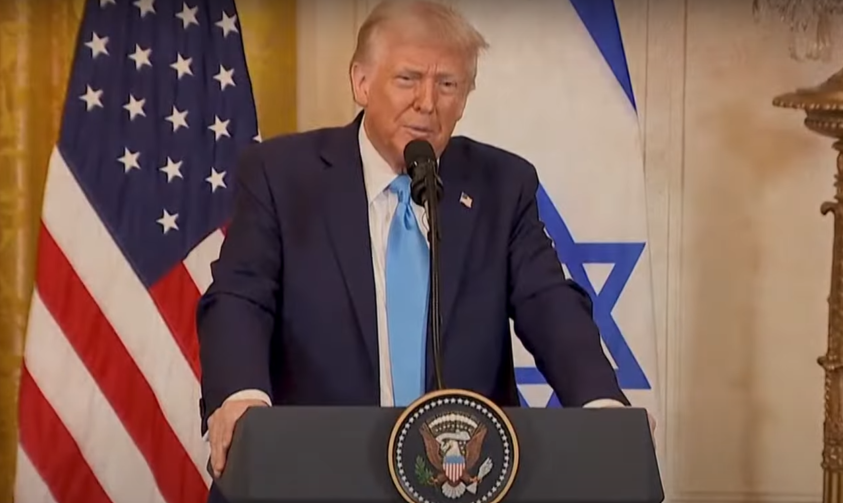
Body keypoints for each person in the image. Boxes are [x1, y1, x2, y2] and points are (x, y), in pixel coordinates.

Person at [197, 1, 654, 500]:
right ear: (362, 83)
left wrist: (601, 407)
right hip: (314, 472)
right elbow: (240, 296)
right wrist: (241, 394)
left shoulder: (503, 185)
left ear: (465, 98)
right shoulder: (283, 174)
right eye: (408, 79)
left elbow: (548, 301)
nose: (427, 103)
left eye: (448, 84)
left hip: (462, 480)